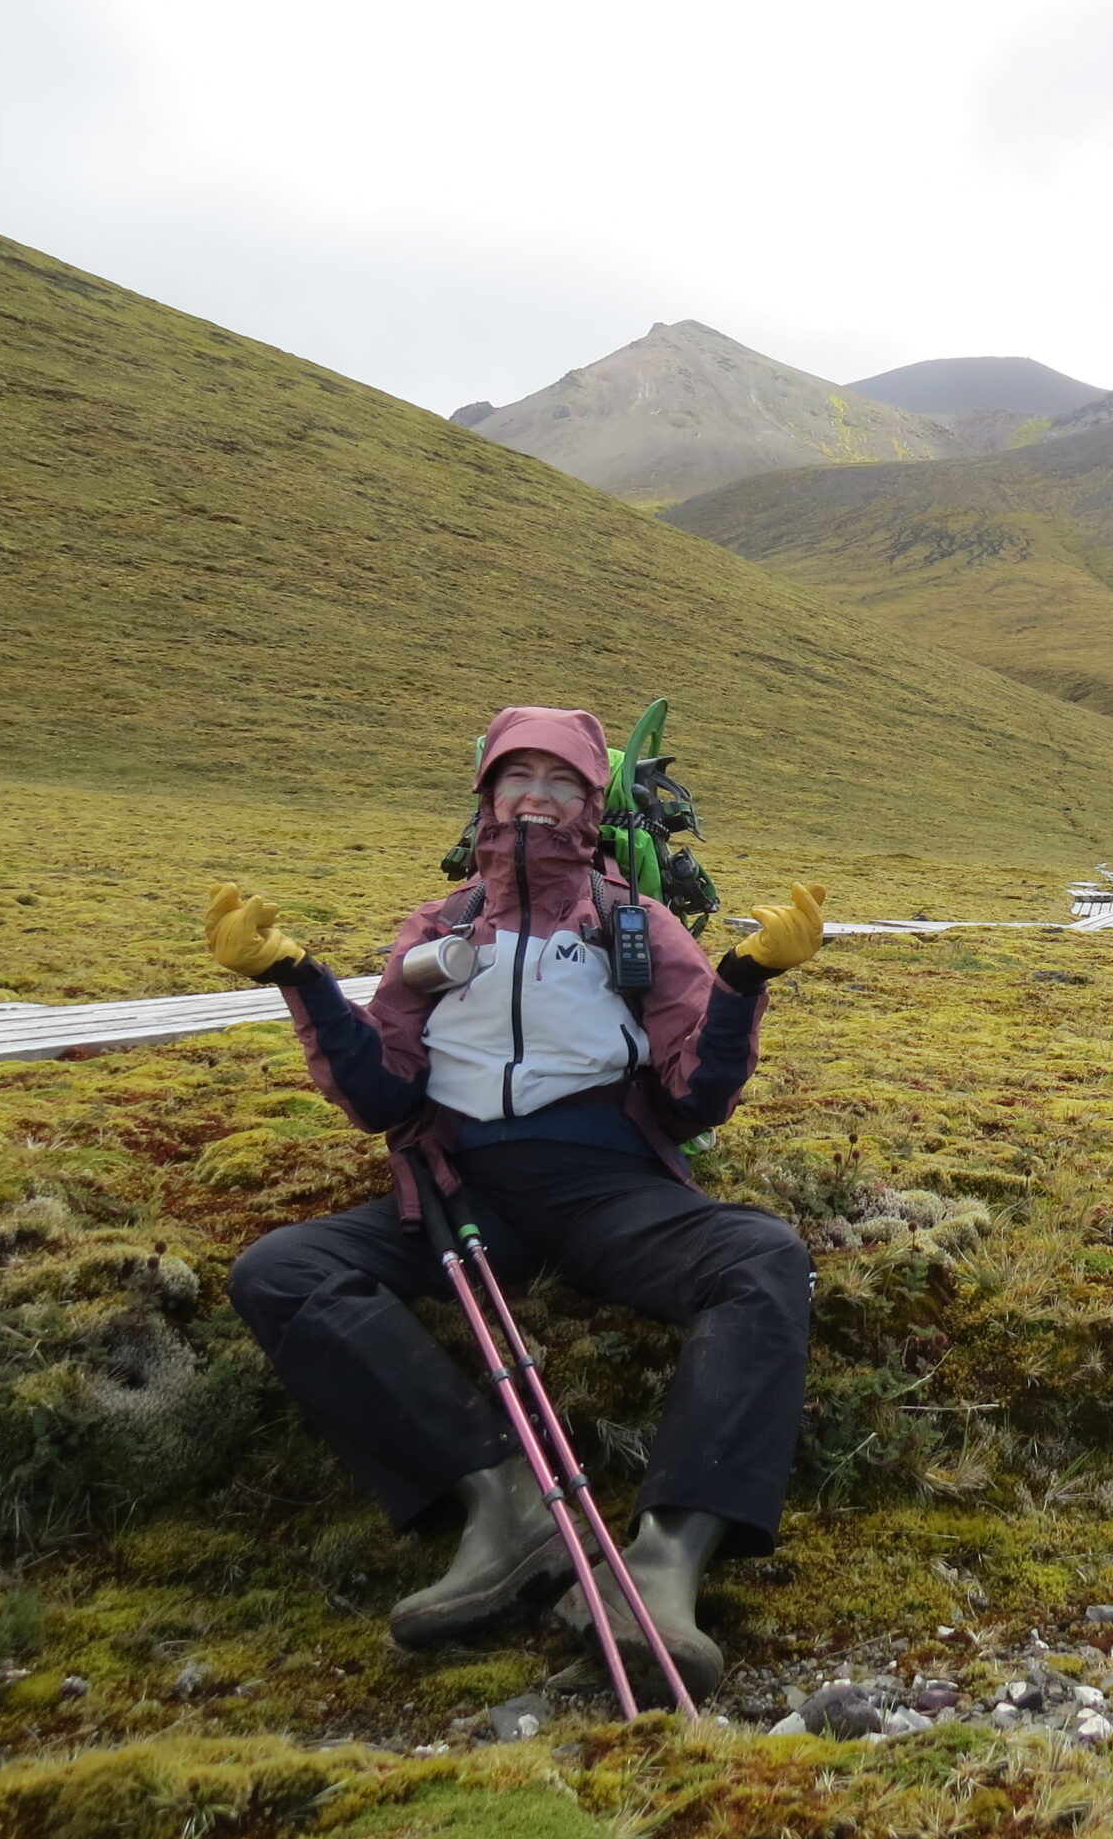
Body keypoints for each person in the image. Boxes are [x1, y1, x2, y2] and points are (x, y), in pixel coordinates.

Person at [207, 706, 824, 1705]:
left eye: (562, 780)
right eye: (515, 777)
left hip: (608, 1190)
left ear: (594, 803)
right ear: (486, 796)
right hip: (462, 1191)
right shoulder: (440, 925)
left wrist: (744, 983)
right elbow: (380, 1095)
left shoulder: (639, 923)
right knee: (283, 1270)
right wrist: (299, 978)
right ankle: (502, 1511)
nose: (536, 796)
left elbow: (690, 1095)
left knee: (760, 1259)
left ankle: (664, 1568)